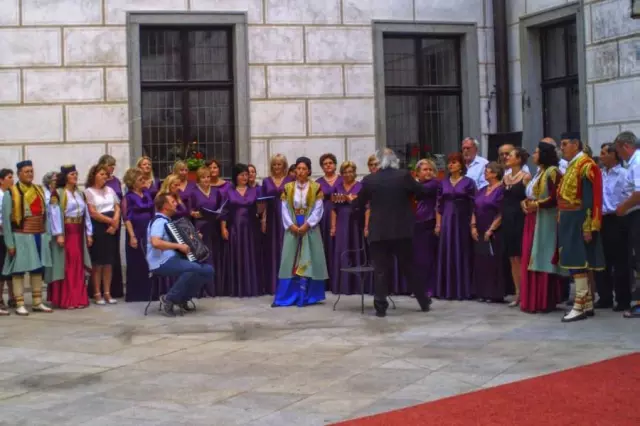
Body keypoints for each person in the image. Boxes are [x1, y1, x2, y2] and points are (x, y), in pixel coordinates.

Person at [356, 149, 432, 317]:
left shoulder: (370, 180)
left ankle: (380, 307)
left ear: (379, 162)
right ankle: (423, 301)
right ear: (394, 161)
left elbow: (359, 203)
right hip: (401, 230)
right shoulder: (403, 176)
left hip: (378, 231)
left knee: (380, 270)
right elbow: (421, 192)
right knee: (409, 267)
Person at [558, 133, 605, 322]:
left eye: (564, 144)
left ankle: (579, 305)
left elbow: (589, 199)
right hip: (570, 219)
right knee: (576, 261)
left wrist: (588, 225)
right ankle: (587, 303)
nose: (561, 148)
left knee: (578, 262)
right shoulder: (574, 164)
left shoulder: (586, 165)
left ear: (575, 144)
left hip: (579, 220)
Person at [273, 157, 328, 307]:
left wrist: (307, 224)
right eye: (298, 168)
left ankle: (309, 296)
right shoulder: (288, 187)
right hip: (292, 225)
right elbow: (284, 208)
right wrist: (291, 225)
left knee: (311, 257)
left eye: (304, 169)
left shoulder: (316, 187)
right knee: (289, 259)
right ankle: (286, 297)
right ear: (295, 170)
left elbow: (318, 209)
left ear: (309, 171)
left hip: (310, 226)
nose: (301, 171)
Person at [147, 193, 214, 317]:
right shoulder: (159, 222)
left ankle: (182, 299)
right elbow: (155, 242)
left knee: (208, 270)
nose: (176, 204)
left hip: (173, 259)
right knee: (193, 268)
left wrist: (195, 239)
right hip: (161, 262)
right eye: (172, 202)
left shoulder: (169, 222)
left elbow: (181, 241)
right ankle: (169, 299)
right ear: (165, 206)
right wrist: (178, 246)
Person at [2, 160, 53, 315]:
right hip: (21, 235)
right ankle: (19, 303)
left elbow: (46, 215)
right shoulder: (11, 193)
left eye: (31, 171)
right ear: (19, 174)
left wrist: (47, 235)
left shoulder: (39, 190)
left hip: (38, 233)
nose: (30, 174)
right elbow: (6, 221)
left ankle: (37, 302)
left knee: (38, 268)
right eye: (26, 171)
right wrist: (10, 243)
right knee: (18, 270)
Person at [520, 140, 566, 313]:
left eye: (536, 152)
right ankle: (532, 299)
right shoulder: (539, 172)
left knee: (543, 255)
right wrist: (525, 203)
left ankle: (544, 300)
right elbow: (532, 195)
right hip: (533, 218)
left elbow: (556, 197)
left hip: (546, 219)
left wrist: (537, 204)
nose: (533, 155)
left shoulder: (553, 172)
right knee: (530, 255)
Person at [46, 165, 92, 309]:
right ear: (65, 176)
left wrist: (89, 233)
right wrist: (59, 234)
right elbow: (54, 214)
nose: (75, 176)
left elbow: (86, 214)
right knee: (67, 263)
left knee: (78, 263)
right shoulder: (58, 193)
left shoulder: (80, 193)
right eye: (72, 174)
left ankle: (78, 297)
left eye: (76, 174)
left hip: (78, 231)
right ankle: (67, 298)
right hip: (66, 230)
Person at [435, 152, 476, 300]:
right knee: (446, 251)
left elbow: (474, 204)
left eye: (454, 162)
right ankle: (445, 289)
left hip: (462, 221)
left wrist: (473, 223)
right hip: (446, 221)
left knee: (462, 251)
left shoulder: (469, 182)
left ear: (461, 165)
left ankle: (463, 289)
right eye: (449, 162)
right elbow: (438, 205)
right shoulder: (443, 183)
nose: (451, 165)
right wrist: (438, 224)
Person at [596, 142, 630, 311]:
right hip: (601, 219)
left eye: (604, 153)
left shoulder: (623, 174)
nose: (601, 156)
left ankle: (623, 299)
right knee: (602, 260)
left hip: (617, 218)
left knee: (620, 260)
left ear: (614, 155)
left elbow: (629, 194)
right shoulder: (600, 174)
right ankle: (605, 297)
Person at [220, 163, 263, 297]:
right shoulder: (228, 191)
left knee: (251, 255)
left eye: (246, 175)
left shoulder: (254, 191)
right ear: (236, 176)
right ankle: (236, 288)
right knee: (237, 255)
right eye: (242, 175)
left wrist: (261, 208)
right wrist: (223, 228)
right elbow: (224, 211)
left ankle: (251, 287)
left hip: (251, 228)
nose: (245, 177)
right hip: (235, 228)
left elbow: (259, 210)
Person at [330, 161, 369, 295]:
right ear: (341, 174)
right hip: (342, 221)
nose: (348, 174)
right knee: (342, 249)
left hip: (357, 221)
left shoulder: (361, 186)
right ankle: (343, 286)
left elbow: (367, 208)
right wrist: (333, 226)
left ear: (354, 172)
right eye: (345, 172)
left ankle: (358, 285)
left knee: (357, 248)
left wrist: (366, 226)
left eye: (350, 171)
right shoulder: (337, 187)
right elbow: (333, 209)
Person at [613, 131, 640, 318]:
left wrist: (623, 206)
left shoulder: (637, 162)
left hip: (637, 214)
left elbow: (638, 193)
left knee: (638, 258)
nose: (618, 155)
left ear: (626, 146)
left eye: (618, 150)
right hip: (633, 215)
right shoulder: (632, 163)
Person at [85, 164, 121, 305]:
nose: (104, 176)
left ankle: (107, 292)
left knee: (108, 262)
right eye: (101, 174)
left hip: (112, 227)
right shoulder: (89, 192)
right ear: (94, 175)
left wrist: (115, 222)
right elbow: (93, 212)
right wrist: (111, 221)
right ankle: (97, 293)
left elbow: (117, 207)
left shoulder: (110, 190)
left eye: (106, 174)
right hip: (99, 227)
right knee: (98, 262)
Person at [501, 147, 531, 307]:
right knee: (512, 257)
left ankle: (525, 292)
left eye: (510, 155)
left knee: (520, 256)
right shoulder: (505, 178)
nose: (507, 157)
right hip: (507, 219)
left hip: (519, 218)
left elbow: (530, 196)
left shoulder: (526, 177)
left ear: (519, 159)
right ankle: (517, 292)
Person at [472, 162, 505, 303]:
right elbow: (473, 208)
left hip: (494, 230)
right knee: (481, 260)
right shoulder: (482, 190)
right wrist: (473, 226)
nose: (485, 173)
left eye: (487, 171)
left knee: (493, 261)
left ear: (495, 174)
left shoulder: (501, 190)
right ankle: (481, 292)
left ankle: (493, 293)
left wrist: (491, 229)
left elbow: (501, 212)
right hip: (479, 228)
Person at [189, 166, 224, 297]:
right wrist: (194, 213)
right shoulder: (193, 192)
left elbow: (221, 208)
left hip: (214, 226)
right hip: (200, 227)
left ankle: (214, 289)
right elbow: (190, 211)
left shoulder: (216, 191)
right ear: (199, 179)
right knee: (203, 256)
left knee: (214, 255)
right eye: (203, 177)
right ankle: (202, 290)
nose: (206, 180)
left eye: (208, 177)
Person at [261, 154, 294, 294]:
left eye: (279, 164)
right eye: (274, 164)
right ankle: (273, 285)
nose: (276, 167)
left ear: (284, 165)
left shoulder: (291, 180)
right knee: (272, 249)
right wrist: (263, 219)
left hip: (287, 218)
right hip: (271, 218)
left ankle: (288, 285)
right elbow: (263, 202)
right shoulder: (266, 181)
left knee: (286, 248)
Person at [122, 167, 154, 302]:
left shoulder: (146, 193)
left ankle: (149, 292)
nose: (143, 181)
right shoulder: (128, 197)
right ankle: (136, 294)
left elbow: (152, 210)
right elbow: (126, 218)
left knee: (148, 260)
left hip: (148, 230)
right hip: (135, 231)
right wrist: (132, 236)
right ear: (133, 182)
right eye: (140, 179)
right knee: (136, 262)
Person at [412, 159, 440, 298]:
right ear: (417, 172)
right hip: (415, 223)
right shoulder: (418, 184)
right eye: (425, 169)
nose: (428, 172)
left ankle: (429, 288)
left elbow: (420, 191)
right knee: (417, 258)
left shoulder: (434, 184)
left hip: (428, 222)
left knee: (427, 257)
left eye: (430, 169)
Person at [98, 154, 124, 299]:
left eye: (113, 165)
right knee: (102, 255)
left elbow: (120, 201)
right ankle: (100, 288)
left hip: (116, 219)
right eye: (109, 165)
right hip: (102, 220)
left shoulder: (116, 181)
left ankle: (115, 289)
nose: (112, 168)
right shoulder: (98, 181)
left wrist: (116, 220)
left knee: (114, 253)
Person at [316, 153, 342, 289]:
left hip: (340, 214)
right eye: (325, 164)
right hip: (324, 216)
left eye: (330, 163)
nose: (328, 165)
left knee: (339, 245)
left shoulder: (342, 179)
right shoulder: (318, 182)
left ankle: (339, 279)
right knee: (325, 245)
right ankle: (326, 281)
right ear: (322, 167)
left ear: (335, 165)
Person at [0, 168, 14, 314]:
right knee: (1, 267)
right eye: (9, 177)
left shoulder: (10, 194)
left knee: (11, 267)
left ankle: (12, 296)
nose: (12, 180)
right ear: (1, 180)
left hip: (10, 235)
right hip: (1, 235)